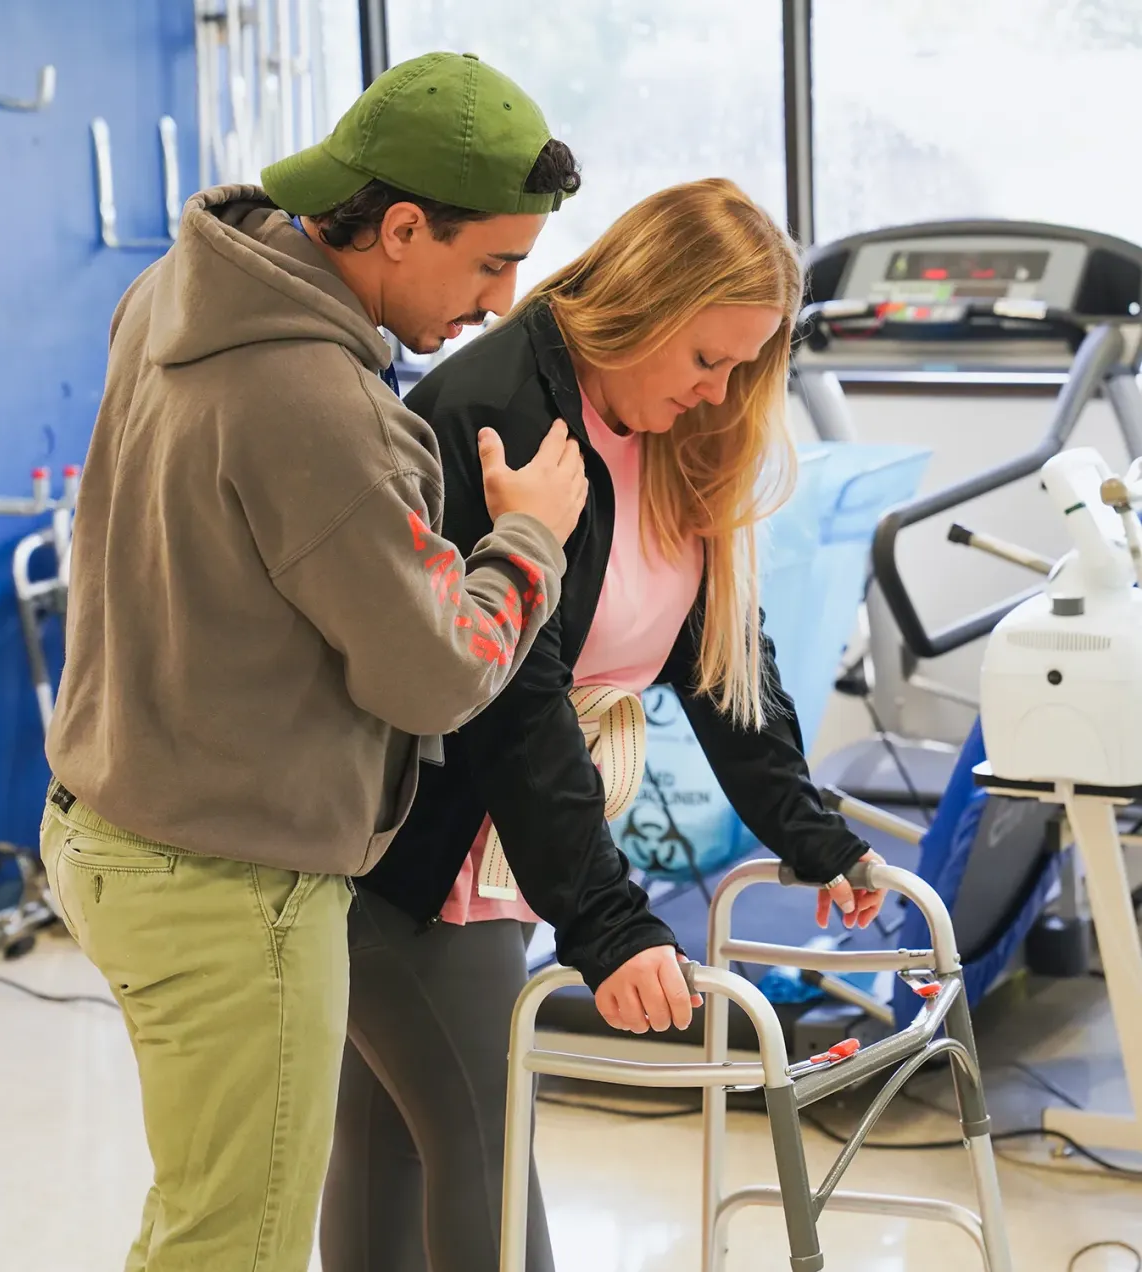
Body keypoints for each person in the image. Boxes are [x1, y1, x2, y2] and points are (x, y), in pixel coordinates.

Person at [39, 52, 593, 1272]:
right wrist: (528, 541)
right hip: (229, 885)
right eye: (492, 262)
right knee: (230, 1244)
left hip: (109, 824)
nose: (504, 302)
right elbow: (437, 675)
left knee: (202, 1213)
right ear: (399, 225)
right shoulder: (316, 401)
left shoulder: (178, 295)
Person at [319, 178, 889, 1272]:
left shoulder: (677, 437)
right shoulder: (501, 413)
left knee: (392, 1142)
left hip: (502, 849)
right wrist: (612, 923)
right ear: (640, 305)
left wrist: (814, 835)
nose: (720, 396)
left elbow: (727, 668)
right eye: (704, 361)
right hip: (404, 847)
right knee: (480, 1139)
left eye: (742, 368)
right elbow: (508, 703)